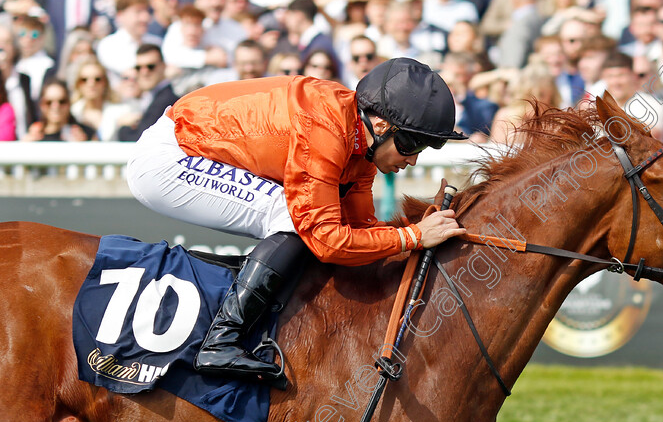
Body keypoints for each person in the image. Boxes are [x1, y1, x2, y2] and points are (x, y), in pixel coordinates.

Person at [125, 57, 468, 385]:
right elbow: (326, 239)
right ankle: (221, 341)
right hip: (169, 158)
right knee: (292, 217)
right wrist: (413, 237)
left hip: (191, 145)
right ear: (380, 125)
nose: (413, 160)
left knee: (299, 217)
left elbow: (360, 230)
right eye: (412, 144)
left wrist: (418, 229)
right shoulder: (326, 128)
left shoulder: (360, 145)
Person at [22, 78, 95, 141]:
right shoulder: (35, 136)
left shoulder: (84, 134)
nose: (55, 106)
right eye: (49, 102)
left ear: (69, 103)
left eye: (62, 101)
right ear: (41, 105)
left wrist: (84, 146)